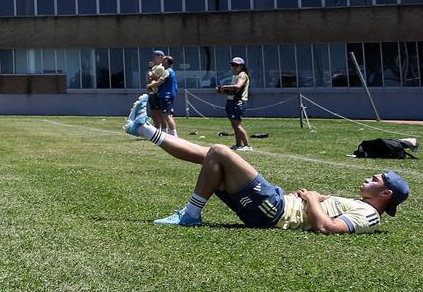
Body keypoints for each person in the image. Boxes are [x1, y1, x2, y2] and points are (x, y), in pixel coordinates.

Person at [123, 96, 407, 230]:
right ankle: (145, 129)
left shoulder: (370, 216)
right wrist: (314, 198)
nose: (369, 177)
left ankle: (190, 215)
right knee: (210, 156)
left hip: (276, 210)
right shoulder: (362, 206)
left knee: (219, 150)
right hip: (274, 205)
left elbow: (327, 228)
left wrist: (311, 198)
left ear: (385, 194)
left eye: (376, 179)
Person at [218, 56, 252, 150]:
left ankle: (247, 145)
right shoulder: (235, 76)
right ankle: (238, 144)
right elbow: (233, 91)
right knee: (234, 124)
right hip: (232, 101)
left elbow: (237, 86)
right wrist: (222, 90)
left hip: (238, 102)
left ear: (241, 66)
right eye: (233, 65)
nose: (234, 67)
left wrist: (223, 87)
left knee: (236, 124)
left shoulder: (242, 75)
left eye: (236, 65)